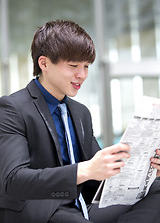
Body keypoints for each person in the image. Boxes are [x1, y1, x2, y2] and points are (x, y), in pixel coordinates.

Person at [0, 20, 160, 223]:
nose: (82, 75)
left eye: (86, 66)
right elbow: (14, 181)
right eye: (73, 66)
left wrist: (144, 171)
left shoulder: (80, 112)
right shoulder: (12, 108)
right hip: (43, 208)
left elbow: (97, 177)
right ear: (44, 63)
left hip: (84, 206)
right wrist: (84, 170)